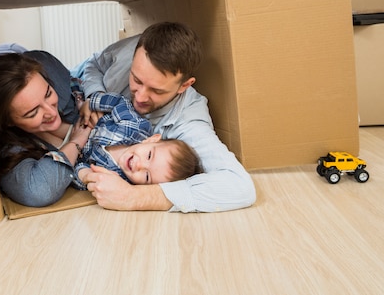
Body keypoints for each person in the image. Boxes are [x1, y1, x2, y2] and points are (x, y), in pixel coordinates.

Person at [78, 22, 256, 213]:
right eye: (136, 80)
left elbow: (240, 186)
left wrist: (133, 197)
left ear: (184, 86)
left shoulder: (189, 120)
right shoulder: (135, 47)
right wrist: (93, 95)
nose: (140, 97)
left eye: (156, 90)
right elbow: (93, 64)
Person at [0, 48, 92, 207]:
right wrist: (76, 141)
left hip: (18, 52)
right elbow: (40, 191)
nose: (51, 112)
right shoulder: (8, 147)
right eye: (33, 112)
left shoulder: (59, 83)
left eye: (48, 94)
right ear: (8, 121)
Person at [72, 91, 203, 190]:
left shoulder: (117, 179)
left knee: (60, 148)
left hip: (76, 148)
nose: (139, 166)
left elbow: (77, 168)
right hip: (87, 119)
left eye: (147, 177)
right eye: (149, 156)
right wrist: (91, 103)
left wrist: (85, 175)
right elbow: (118, 102)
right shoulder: (135, 127)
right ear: (151, 139)